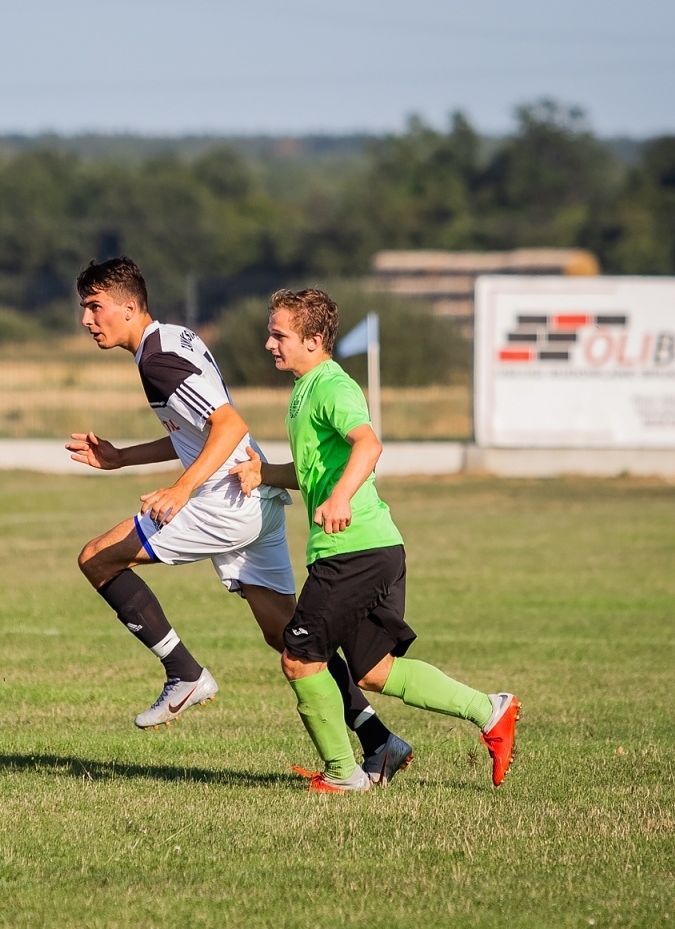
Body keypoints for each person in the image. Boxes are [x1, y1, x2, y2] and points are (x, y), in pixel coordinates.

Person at [67, 258, 413, 785]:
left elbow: (228, 425)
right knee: (293, 642)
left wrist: (182, 489)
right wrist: (122, 458)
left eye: (96, 307)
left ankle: (184, 673)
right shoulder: (174, 339)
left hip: (223, 502)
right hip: (253, 491)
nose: (87, 320)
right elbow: (197, 430)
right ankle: (378, 740)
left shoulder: (157, 361)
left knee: (97, 558)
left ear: (130, 306)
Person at [229, 288, 520, 793]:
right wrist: (266, 474)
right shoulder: (304, 390)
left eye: (279, 335)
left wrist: (340, 498)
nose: (269, 344)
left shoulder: (331, 386)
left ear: (313, 339)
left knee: (300, 658)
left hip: (353, 551)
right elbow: (313, 471)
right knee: (373, 671)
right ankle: (489, 710)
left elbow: (368, 444)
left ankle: (344, 775)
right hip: (371, 549)